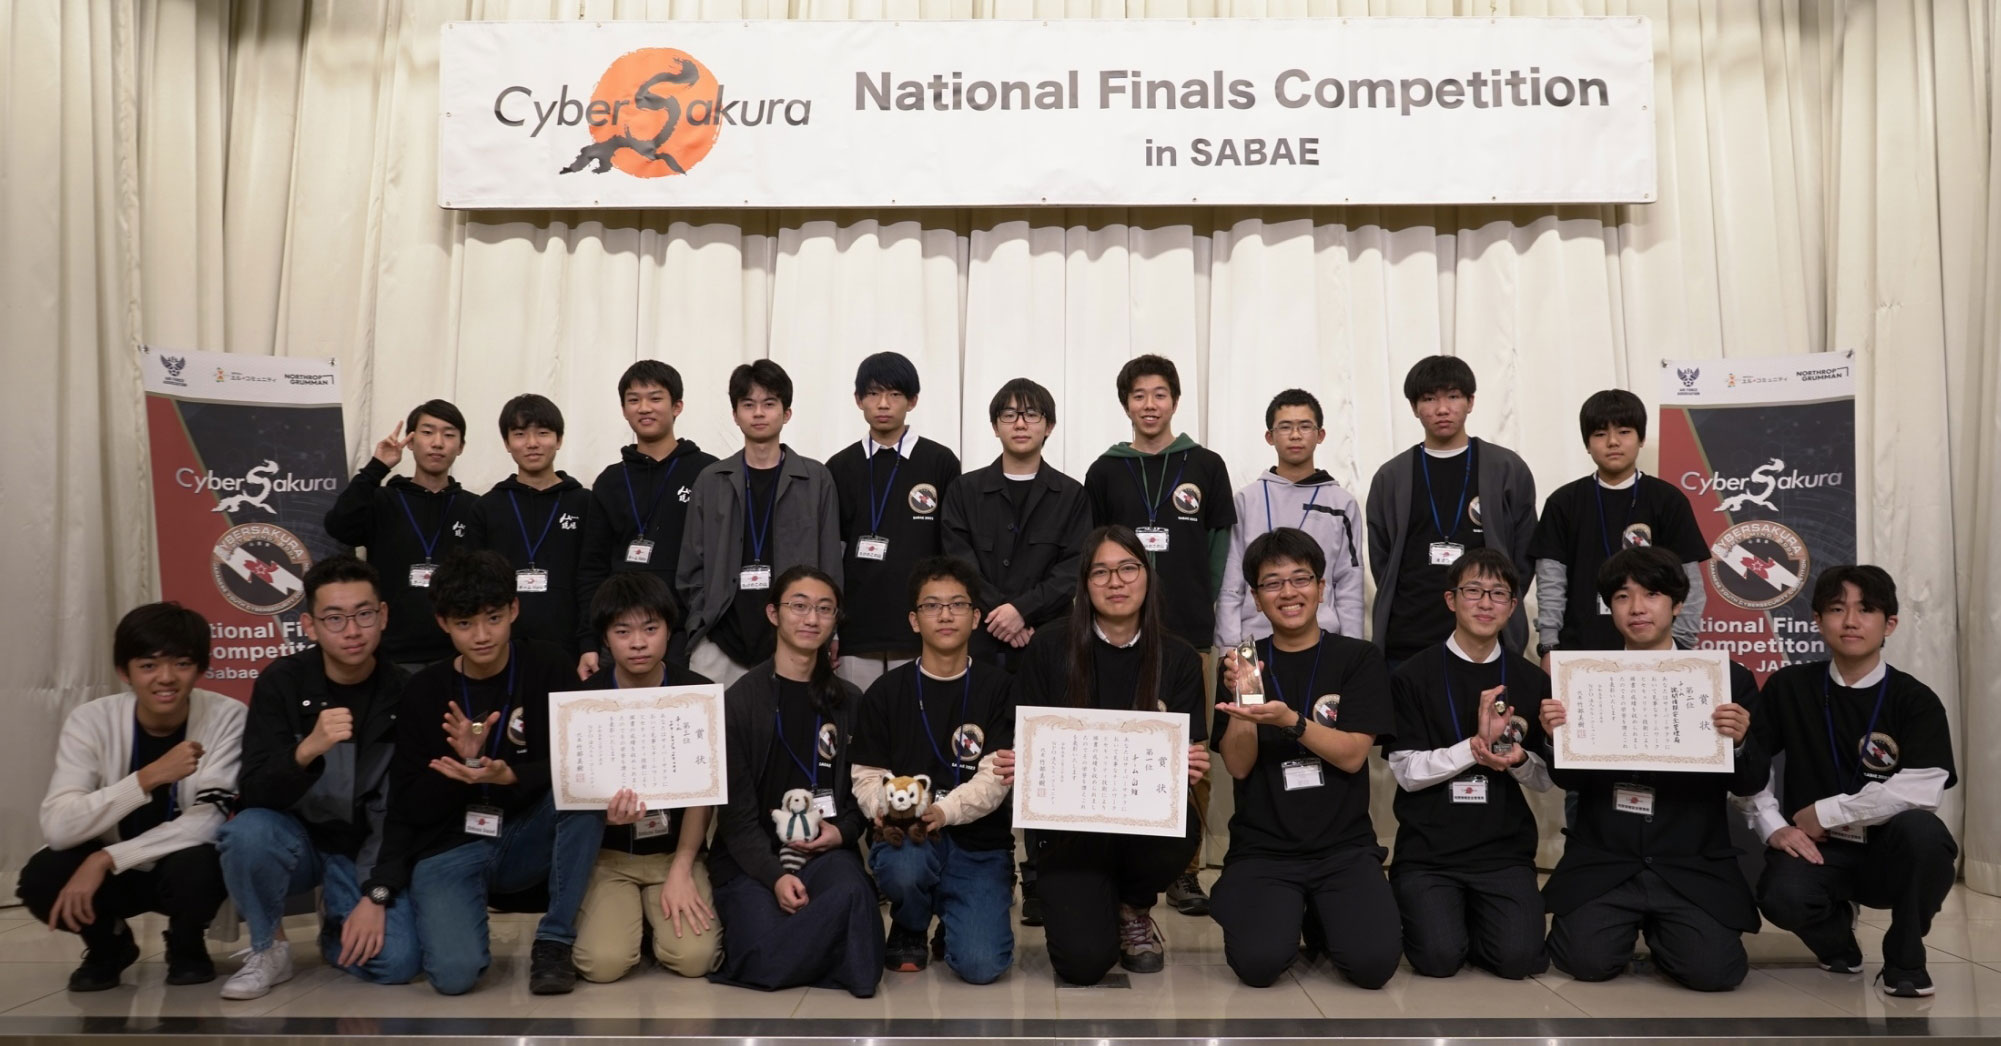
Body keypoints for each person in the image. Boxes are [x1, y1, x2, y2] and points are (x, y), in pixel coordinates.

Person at [363, 550, 600, 996]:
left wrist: (509, 776)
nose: (482, 635)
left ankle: (554, 941)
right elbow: (406, 803)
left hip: (523, 838)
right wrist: (462, 770)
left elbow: (580, 762)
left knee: (583, 797)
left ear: (514, 609)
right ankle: (443, 917)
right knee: (454, 977)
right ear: (443, 623)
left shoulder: (549, 665)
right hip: (448, 848)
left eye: (493, 618)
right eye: (465, 623)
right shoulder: (423, 691)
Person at [1538, 546, 1767, 991]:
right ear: (1610, 607)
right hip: (1608, 858)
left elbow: (1751, 781)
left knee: (1713, 974)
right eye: (1622, 597)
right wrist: (1553, 739)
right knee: (1583, 961)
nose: (1637, 608)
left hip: (1689, 861)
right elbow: (1568, 779)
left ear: (1677, 604)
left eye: (1652, 594)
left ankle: (1669, 933)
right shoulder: (1584, 676)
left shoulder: (1726, 678)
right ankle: (1638, 927)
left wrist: (1740, 743)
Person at [1740, 566, 1957, 998]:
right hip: (1818, 850)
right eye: (1837, 609)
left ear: (1889, 624)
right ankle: (1838, 943)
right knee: (1781, 895)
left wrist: (1827, 812)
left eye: (1866, 610)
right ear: (1818, 621)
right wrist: (1773, 825)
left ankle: (1906, 957)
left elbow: (1921, 789)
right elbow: (1752, 764)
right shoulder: (1789, 686)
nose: (1851, 621)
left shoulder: (1915, 699)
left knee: (1926, 835)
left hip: (1888, 853)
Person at [218, 556, 420, 1000]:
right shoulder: (282, 682)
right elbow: (253, 792)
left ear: (383, 615)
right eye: (334, 618)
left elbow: (402, 810)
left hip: (361, 849)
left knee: (398, 962)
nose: (352, 631)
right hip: (297, 841)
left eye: (364, 614)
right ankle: (268, 947)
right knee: (246, 833)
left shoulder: (405, 691)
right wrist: (307, 749)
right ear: (309, 626)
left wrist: (376, 894)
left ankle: (335, 925)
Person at [1016, 526, 1212, 984]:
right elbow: (1025, 739)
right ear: (1084, 584)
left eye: (1128, 568)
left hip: (1144, 832)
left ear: (1148, 576)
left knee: (1183, 825)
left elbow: (1191, 746)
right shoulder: (1049, 646)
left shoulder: (1179, 657)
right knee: (1083, 965)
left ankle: (1133, 906)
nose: (1116, 582)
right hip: (1069, 832)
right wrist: (1019, 761)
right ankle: (1092, 900)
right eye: (1100, 572)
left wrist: (1191, 762)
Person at [1209, 527, 1400, 990]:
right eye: (1272, 583)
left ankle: (1318, 911)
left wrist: (1291, 721)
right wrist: (1243, 700)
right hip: (1264, 848)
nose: (1288, 592)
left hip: (1343, 847)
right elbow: (1238, 766)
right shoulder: (1244, 662)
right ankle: (1292, 907)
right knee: (1258, 966)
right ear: (1256, 599)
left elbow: (1352, 756)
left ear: (1321, 587)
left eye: (1301, 579)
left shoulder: (1358, 658)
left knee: (1373, 967)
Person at [18, 602, 244, 991]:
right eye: (149, 665)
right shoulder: (90, 721)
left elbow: (208, 821)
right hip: (116, 879)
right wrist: (147, 778)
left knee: (207, 861)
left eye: (182, 664)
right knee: (42, 876)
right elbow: (58, 826)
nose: (166, 678)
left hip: (176, 868)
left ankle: (186, 943)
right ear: (125, 672)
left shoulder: (228, 716)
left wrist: (106, 858)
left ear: (201, 669)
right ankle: (109, 946)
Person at [1083, 355, 1233, 917]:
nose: (1150, 405)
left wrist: (1203, 602)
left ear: (1175, 400)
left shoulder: (1206, 465)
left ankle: (1185, 869)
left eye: (1160, 394)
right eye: (1139, 395)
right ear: (1126, 403)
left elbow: (1220, 547)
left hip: (1187, 632)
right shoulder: (1105, 470)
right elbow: (1092, 550)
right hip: (1117, 634)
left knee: (1192, 751)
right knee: (1117, 745)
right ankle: (1118, 859)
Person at [707, 567, 883, 997]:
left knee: (853, 897)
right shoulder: (739, 702)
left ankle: (814, 944)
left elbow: (860, 797)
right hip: (753, 859)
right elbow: (736, 820)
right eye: (799, 606)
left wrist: (841, 833)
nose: (811, 619)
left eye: (824, 609)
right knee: (764, 954)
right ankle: (831, 948)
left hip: (826, 852)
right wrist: (775, 877)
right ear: (774, 613)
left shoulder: (850, 701)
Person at [1384, 547, 1553, 980]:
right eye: (1473, 591)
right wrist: (1475, 747)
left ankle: (1479, 918)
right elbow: (1407, 772)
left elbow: (1543, 779)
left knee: (1518, 961)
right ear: (1451, 600)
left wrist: (1517, 759)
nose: (1485, 603)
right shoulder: (1411, 676)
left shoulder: (1532, 679)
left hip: (1503, 852)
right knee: (1438, 959)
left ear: (1512, 606)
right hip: (1429, 852)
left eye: (1498, 594)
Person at [850, 556, 1016, 982]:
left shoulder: (1000, 688)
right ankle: (909, 923)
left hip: (979, 843)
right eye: (931, 605)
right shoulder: (885, 693)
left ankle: (952, 918)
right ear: (914, 620)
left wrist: (944, 812)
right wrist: (884, 808)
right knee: (905, 869)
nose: (945, 615)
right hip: (909, 837)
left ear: (976, 618)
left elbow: (996, 776)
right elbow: (867, 775)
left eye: (957, 604)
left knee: (981, 965)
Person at [570, 572, 722, 983]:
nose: (638, 643)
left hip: (675, 853)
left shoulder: (697, 693)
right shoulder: (582, 702)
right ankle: (631, 919)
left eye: (650, 629)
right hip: (606, 857)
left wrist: (683, 867)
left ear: (669, 631)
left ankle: (655, 918)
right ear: (605, 638)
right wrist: (599, 816)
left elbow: (703, 795)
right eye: (623, 631)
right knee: (603, 965)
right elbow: (568, 800)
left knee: (695, 959)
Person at [679, 360, 842, 689]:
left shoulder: (816, 479)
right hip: (720, 639)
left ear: (787, 413)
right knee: (718, 722)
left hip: (796, 637)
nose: (758, 413)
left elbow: (830, 563)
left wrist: (829, 630)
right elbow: (691, 564)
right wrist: (703, 616)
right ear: (735, 414)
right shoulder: (711, 479)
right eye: (748, 404)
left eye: (769, 404)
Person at [1365, 356, 1537, 666]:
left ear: (1471, 402)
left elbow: (1523, 555)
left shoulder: (1506, 469)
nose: (1442, 409)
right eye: (1429, 399)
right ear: (1414, 407)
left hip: (1486, 638)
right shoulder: (1391, 477)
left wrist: (1494, 604)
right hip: (1407, 637)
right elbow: (1382, 559)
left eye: (1454, 396)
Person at [1528, 389, 1708, 659]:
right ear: (1587, 444)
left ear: (1641, 438)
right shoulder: (1564, 502)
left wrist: (1680, 646)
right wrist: (1550, 646)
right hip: (1578, 651)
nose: (1613, 442)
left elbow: (1689, 582)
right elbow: (1550, 582)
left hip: (1655, 652)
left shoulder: (1668, 500)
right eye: (1600, 434)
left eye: (1624, 432)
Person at [574, 361, 718, 679]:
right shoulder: (610, 481)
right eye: (634, 399)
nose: (644, 408)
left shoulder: (708, 473)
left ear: (677, 406)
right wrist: (589, 641)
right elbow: (592, 568)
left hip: (689, 632)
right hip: (621, 632)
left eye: (655, 398)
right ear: (624, 410)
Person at [826, 352, 961, 689]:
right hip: (857, 627)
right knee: (858, 714)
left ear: (912, 401)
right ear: (858, 400)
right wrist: (832, 629)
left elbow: (952, 549)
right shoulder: (840, 466)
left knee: (917, 712)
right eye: (873, 394)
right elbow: (832, 552)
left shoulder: (939, 462)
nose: (883, 404)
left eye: (895, 394)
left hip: (921, 624)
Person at [939, 376, 1091, 670]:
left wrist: (1022, 611)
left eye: (1031, 414)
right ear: (995, 427)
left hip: (1049, 639)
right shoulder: (964, 491)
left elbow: (1074, 568)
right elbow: (957, 561)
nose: (1020, 424)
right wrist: (1004, 614)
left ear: (1049, 426)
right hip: (978, 637)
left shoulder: (1072, 495)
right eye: (1009, 415)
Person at [325, 399, 482, 671]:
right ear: (410, 441)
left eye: (448, 435)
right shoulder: (383, 499)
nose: (437, 443)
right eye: (427, 432)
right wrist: (377, 467)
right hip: (392, 651)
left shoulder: (474, 507)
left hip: (456, 651)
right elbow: (339, 526)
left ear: (461, 446)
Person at [1217, 388, 1365, 651]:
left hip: (1322, 640)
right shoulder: (1246, 501)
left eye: (1305, 426)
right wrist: (1229, 646)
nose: (1295, 435)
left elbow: (1349, 584)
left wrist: (1352, 649)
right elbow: (1231, 583)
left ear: (1320, 435)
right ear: (1269, 437)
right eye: (1285, 427)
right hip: (1254, 641)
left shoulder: (1341, 504)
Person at [466, 394, 591, 661]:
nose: (532, 443)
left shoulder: (585, 503)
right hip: (502, 649)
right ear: (507, 443)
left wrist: (589, 643)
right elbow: (476, 587)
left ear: (559, 439)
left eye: (543, 433)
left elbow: (591, 577)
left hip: (570, 646)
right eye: (520, 434)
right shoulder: (486, 507)